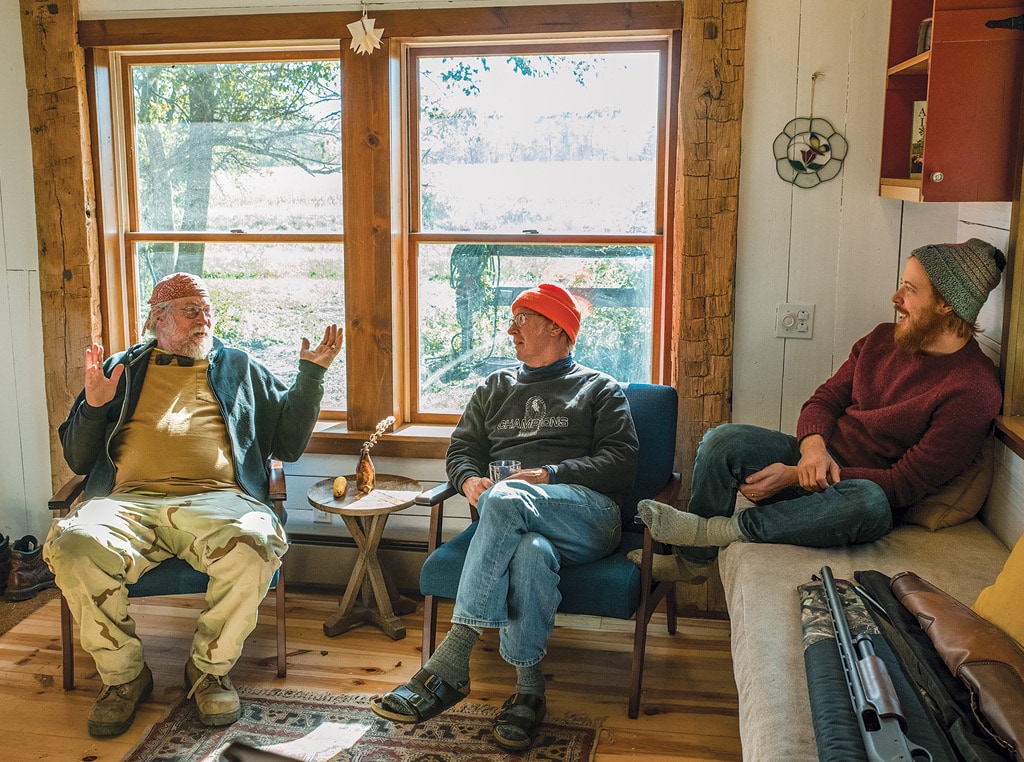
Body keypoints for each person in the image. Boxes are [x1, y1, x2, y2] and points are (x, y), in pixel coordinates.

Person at [43, 272, 341, 738]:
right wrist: (95, 406)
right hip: (128, 505)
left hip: (218, 502)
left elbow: (288, 442)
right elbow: (78, 458)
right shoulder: (123, 368)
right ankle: (124, 677)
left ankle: (208, 671)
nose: (204, 320)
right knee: (74, 544)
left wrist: (311, 375)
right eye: (190, 311)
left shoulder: (238, 366)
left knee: (256, 542)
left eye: (207, 310)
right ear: (158, 320)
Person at [633, 238, 1005, 584]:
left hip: (860, 496)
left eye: (910, 289)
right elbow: (823, 400)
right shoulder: (880, 339)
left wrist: (797, 476)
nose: (896, 297)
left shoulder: (973, 390)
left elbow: (903, 484)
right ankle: (694, 563)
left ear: (946, 304)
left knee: (869, 503)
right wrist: (812, 451)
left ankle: (711, 534)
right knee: (723, 439)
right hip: (816, 458)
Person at [371, 282, 638, 750]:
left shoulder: (598, 388)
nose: (510, 329)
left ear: (557, 328)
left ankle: (453, 659)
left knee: (508, 496)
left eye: (522, 319)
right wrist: (469, 482)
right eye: (512, 319)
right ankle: (529, 694)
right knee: (530, 554)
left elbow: (622, 461)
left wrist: (550, 474)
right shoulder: (494, 386)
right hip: (512, 520)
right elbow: (461, 451)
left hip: (585, 516)